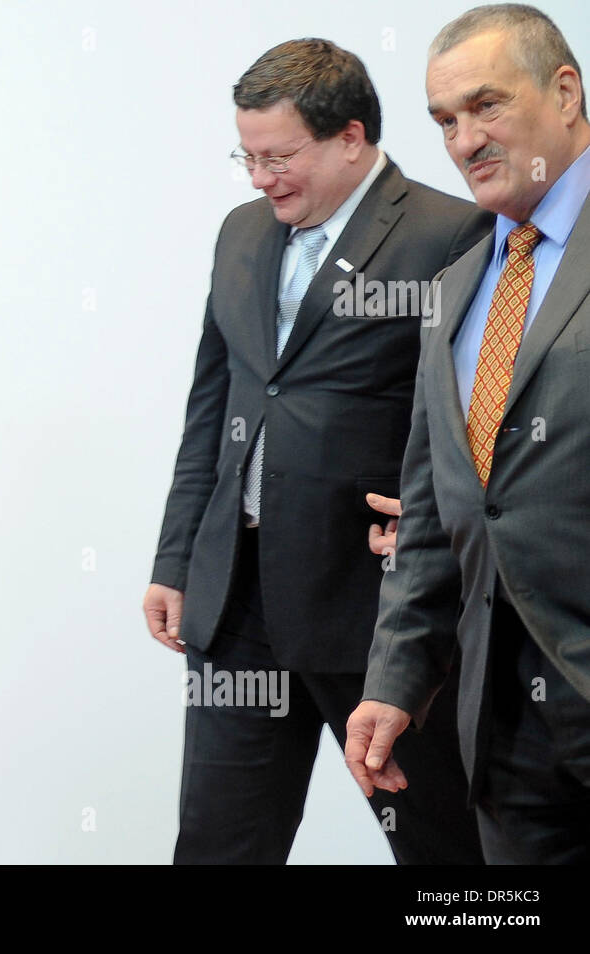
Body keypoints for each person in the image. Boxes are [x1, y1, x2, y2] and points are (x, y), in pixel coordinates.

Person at [144, 39, 493, 864]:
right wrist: (176, 557)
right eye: (248, 157)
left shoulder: (451, 234)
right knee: (220, 843)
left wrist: (439, 517)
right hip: (236, 604)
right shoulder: (240, 234)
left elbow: (477, 418)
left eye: (279, 157)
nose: (261, 179)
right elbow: (215, 406)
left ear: (351, 136)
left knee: (443, 845)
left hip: (379, 607)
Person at [347, 4, 590, 864]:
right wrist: (394, 681)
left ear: (566, 93)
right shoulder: (452, 291)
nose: (463, 139)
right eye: (444, 120)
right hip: (503, 734)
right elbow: (439, 512)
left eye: (486, 105)